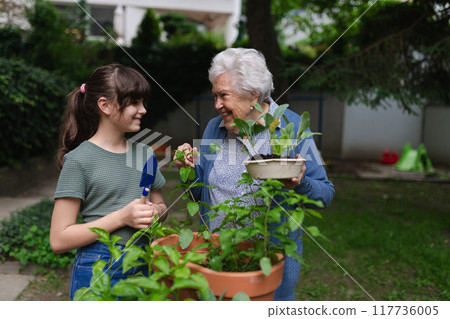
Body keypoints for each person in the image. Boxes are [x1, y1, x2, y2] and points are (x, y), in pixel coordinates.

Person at [174, 48, 334, 301]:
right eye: (214, 96)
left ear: (253, 95)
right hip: (219, 260)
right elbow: (199, 196)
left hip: (266, 264)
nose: (217, 105)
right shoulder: (214, 129)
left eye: (223, 96)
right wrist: (189, 171)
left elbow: (325, 194)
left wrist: (299, 183)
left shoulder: (290, 127)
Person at [50, 64, 167, 300]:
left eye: (143, 102)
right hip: (97, 266)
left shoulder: (144, 154)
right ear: (104, 105)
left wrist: (156, 211)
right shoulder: (79, 160)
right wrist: (122, 217)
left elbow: (163, 209)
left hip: (142, 261)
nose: (143, 109)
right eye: (134, 102)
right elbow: (59, 239)